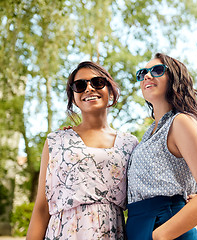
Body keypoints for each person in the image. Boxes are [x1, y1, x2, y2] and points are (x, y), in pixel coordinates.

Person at [26, 61, 138, 240]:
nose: (89, 88)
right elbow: (42, 206)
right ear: (73, 96)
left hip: (111, 232)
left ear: (110, 90)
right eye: (80, 85)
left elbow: (145, 193)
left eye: (97, 82)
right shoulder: (56, 141)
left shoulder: (130, 144)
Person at [126, 53, 197, 240]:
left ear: (175, 79)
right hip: (138, 226)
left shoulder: (181, 122)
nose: (147, 75)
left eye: (156, 70)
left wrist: (159, 235)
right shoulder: (150, 132)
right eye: (142, 73)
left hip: (164, 229)